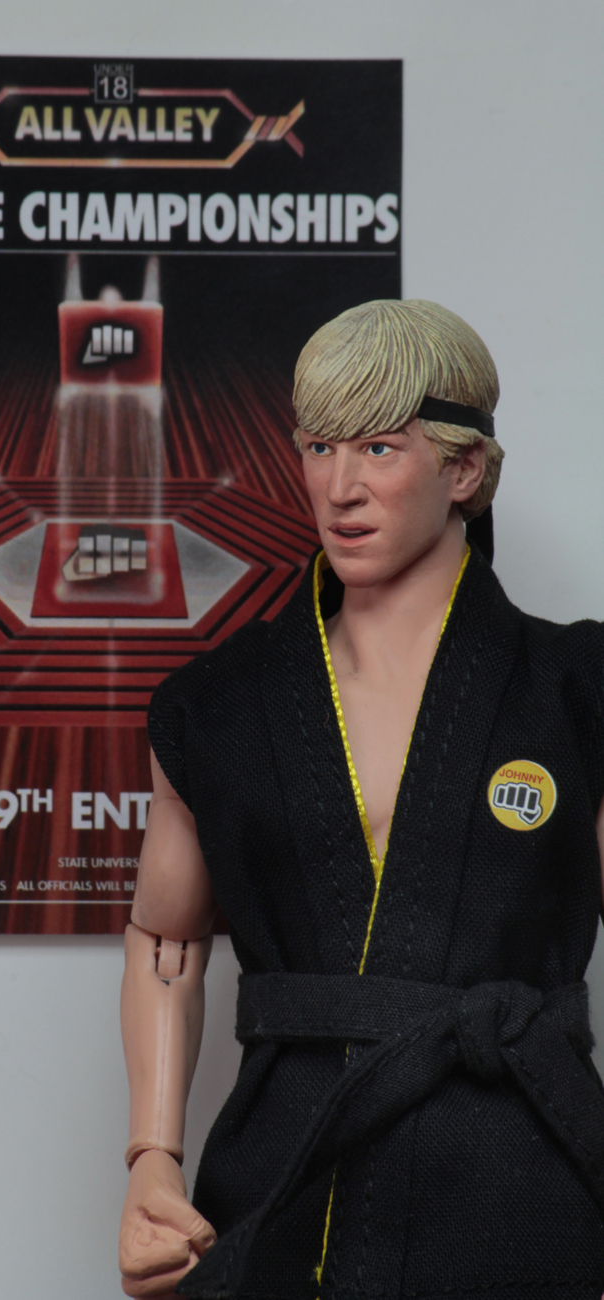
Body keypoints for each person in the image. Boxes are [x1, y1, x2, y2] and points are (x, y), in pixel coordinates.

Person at [118, 299, 604, 1300]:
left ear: (462, 470)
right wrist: (151, 1158)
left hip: (520, 1170)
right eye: (319, 448)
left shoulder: (576, 691)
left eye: (379, 448)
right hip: (287, 1164)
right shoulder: (218, 707)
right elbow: (165, 944)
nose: (340, 487)